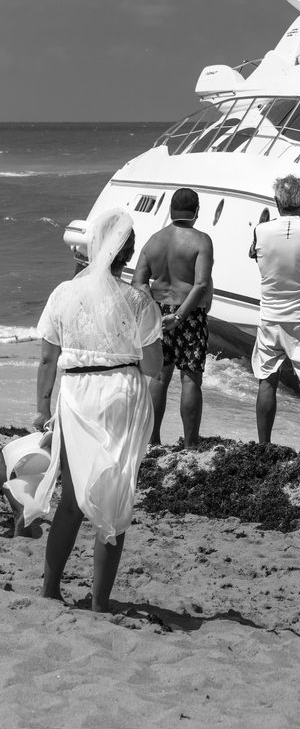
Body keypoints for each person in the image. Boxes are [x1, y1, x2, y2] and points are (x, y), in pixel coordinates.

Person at [21, 209, 162, 611]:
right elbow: (152, 367)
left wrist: (40, 408)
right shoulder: (138, 301)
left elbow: (48, 359)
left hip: (77, 394)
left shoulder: (63, 293)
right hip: (121, 395)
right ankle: (100, 602)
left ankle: (50, 590)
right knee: (114, 499)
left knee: (71, 499)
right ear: (128, 253)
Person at [251, 175, 300, 446]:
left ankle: (264, 445)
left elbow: (255, 256)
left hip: (271, 315)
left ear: (276, 201)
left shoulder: (261, 230)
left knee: (267, 380)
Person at [133, 188, 213, 448]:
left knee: (159, 376)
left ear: (170, 210)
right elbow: (200, 284)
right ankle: (190, 445)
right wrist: (179, 316)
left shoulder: (154, 240)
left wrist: (155, 313)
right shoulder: (201, 241)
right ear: (197, 211)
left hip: (159, 312)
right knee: (190, 377)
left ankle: (153, 441)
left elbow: (139, 281)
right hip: (188, 314)